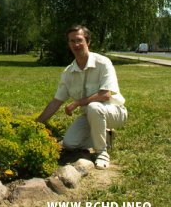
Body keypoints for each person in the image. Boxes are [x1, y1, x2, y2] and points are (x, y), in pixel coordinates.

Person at [37, 24, 127, 170]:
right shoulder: (68, 73)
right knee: (69, 143)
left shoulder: (103, 63)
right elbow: (56, 101)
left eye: (79, 40)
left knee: (94, 106)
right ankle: (106, 135)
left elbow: (105, 95)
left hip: (115, 112)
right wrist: (37, 123)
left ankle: (102, 152)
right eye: (72, 41)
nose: (76, 44)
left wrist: (78, 102)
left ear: (87, 42)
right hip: (90, 115)